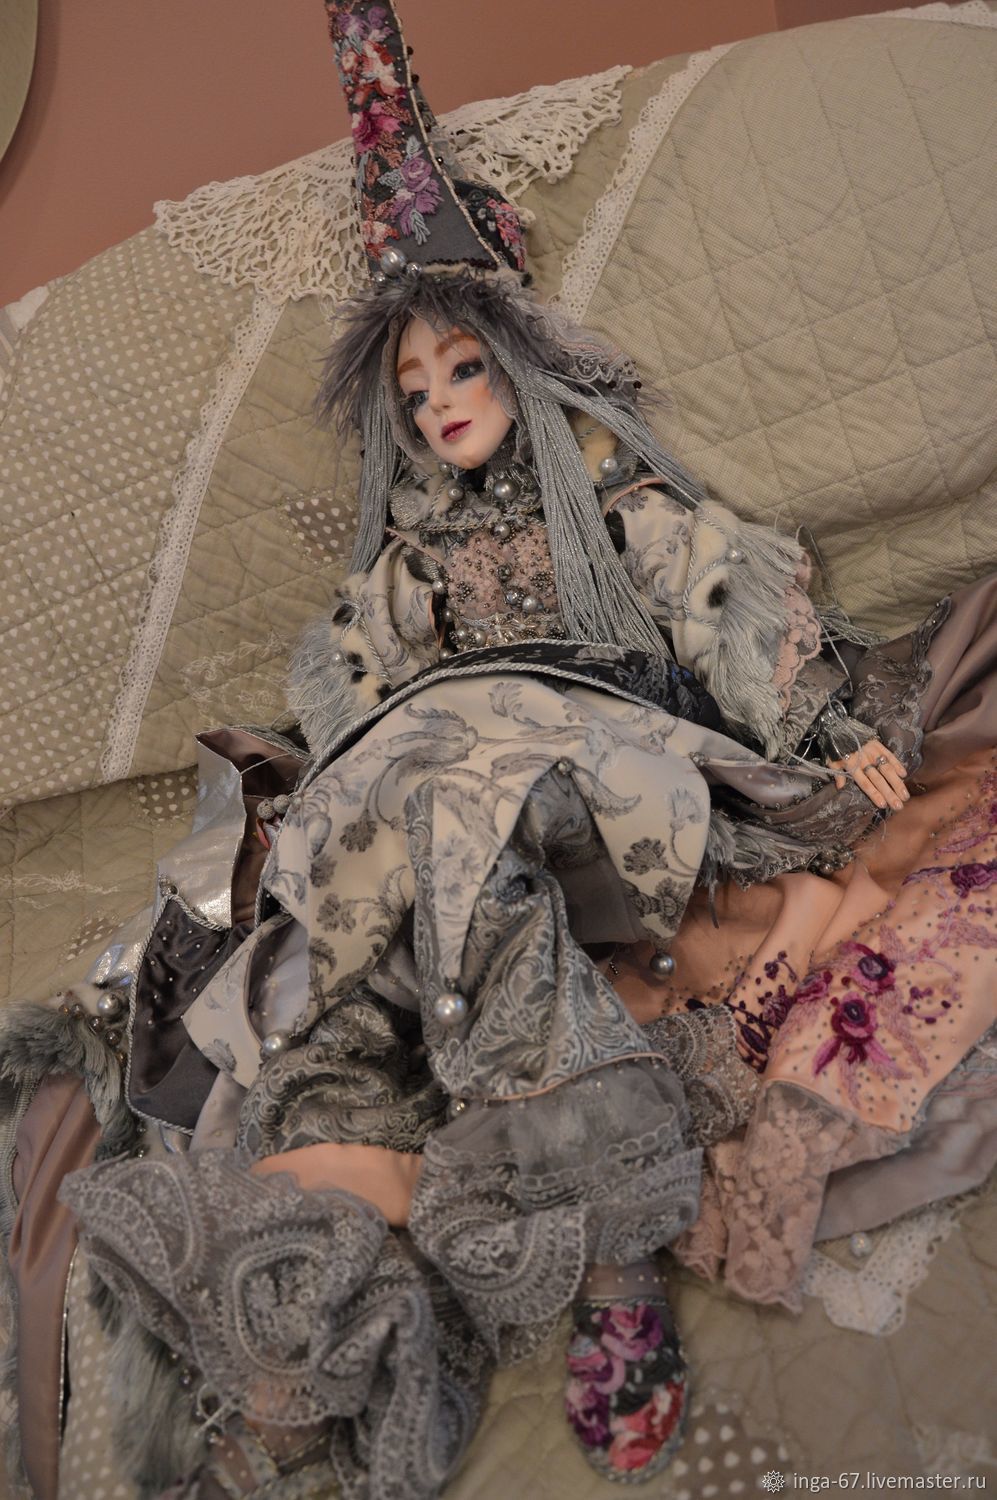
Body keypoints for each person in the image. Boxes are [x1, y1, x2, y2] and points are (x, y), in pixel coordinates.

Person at [1, 3, 994, 1499]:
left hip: (599, 765)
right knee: (367, 871)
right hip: (441, 791)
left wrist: (828, 725)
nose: (441, 407)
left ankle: (601, 1228)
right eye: (415, 395)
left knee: (459, 787)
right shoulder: (409, 565)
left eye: (463, 371)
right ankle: (336, 1224)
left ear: (522, 367)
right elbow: (355, 686)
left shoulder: (611, 508)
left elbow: (720, 607)